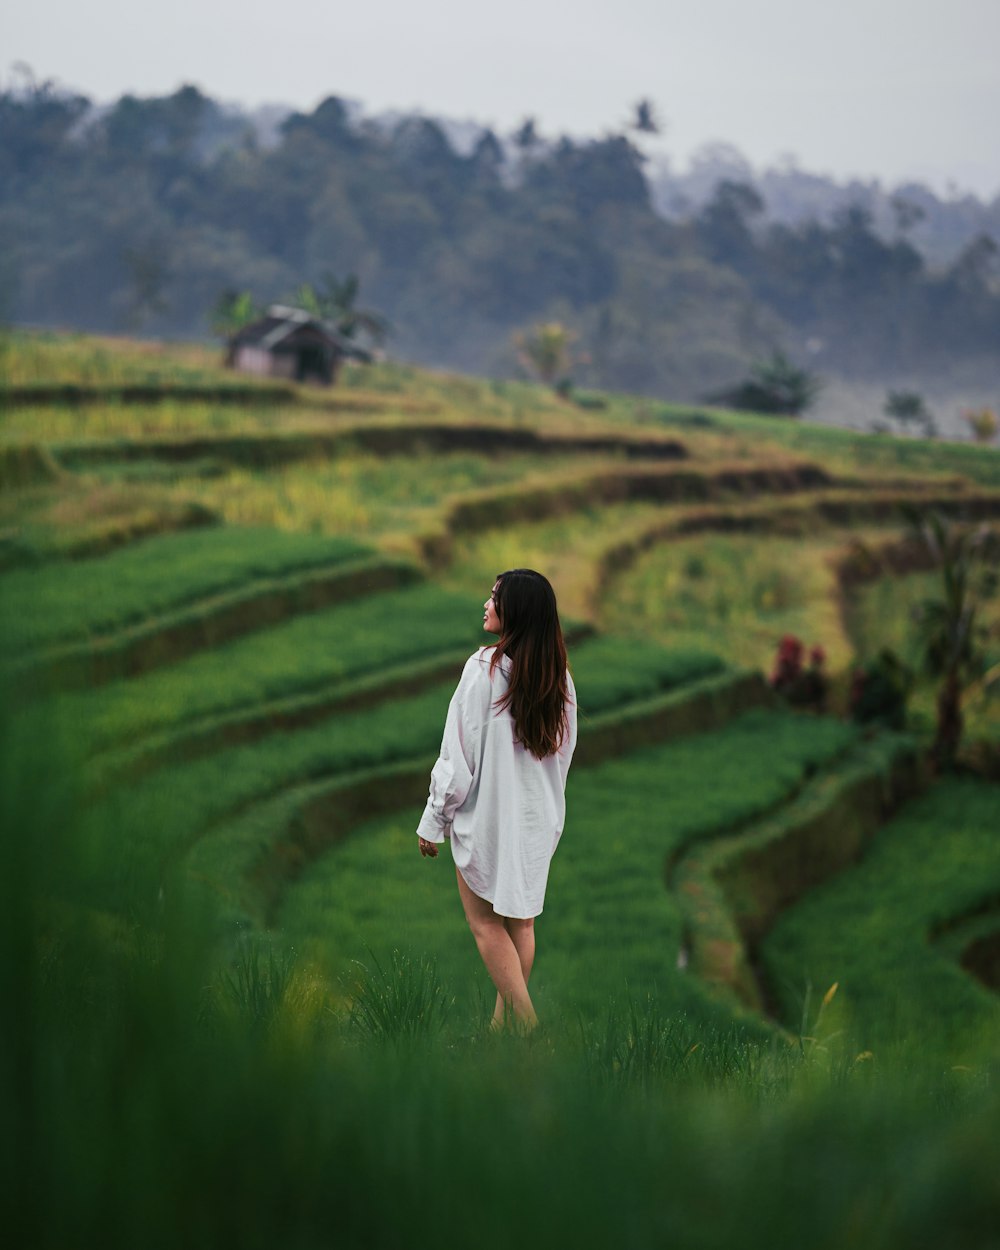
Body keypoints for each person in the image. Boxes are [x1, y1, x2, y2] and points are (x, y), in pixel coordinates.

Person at [416, 569, 577, 1031]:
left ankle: (528, 1030)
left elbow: (457, 757)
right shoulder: (558, 679)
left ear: (515, 612)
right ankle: (498, 1036)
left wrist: (434, 821)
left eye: (494, 598)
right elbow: (563, 756)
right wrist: (545, 809)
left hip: (488, 818)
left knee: (486, 926)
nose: (485, 605)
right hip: (536, 818)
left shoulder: (483, 670)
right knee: (521, 927)